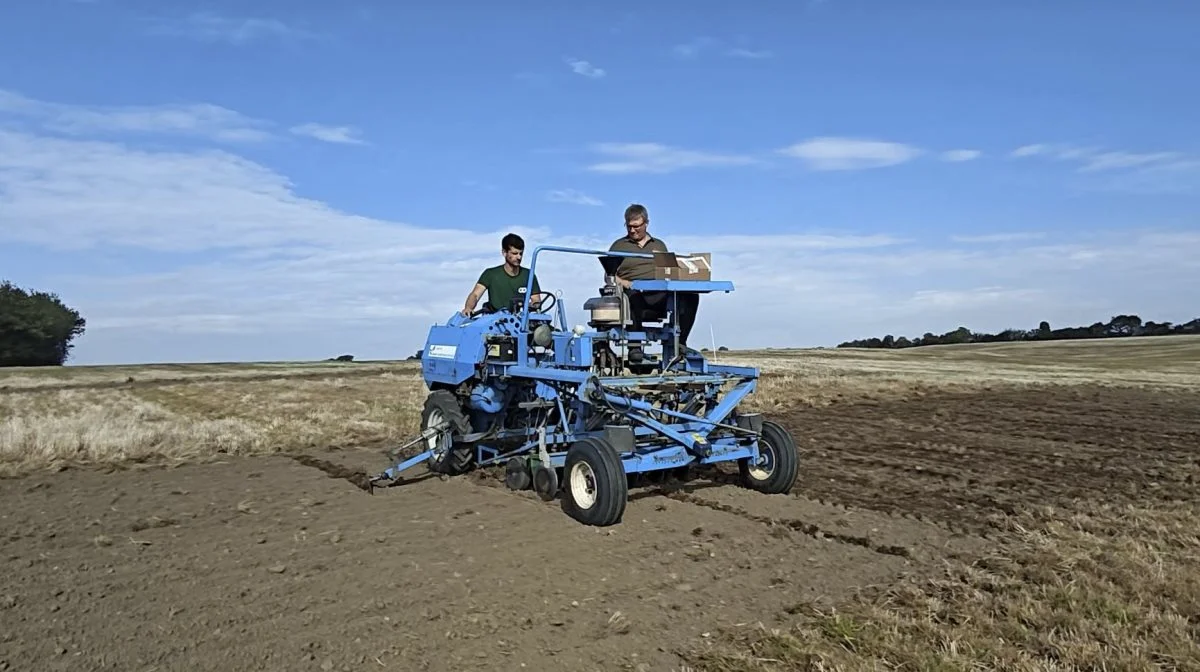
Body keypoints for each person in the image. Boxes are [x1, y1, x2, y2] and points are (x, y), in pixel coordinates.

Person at [607, 203, 700, 349]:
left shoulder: (659, 245)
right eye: (629, 226)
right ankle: (635, 346)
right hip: (633, 292)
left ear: (646, 223)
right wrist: (624, 282)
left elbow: (670, 271)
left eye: (636, 226)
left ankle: (679, 344)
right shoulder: (618, 246)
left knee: (691, 297)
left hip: (659, 293)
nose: (632, 230)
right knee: (631, 296)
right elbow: (609, 275)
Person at [461, 233, 547, 316]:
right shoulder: (490, 274)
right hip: (495, 322)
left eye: (521, 253)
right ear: (504, 252)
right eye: (514, 253)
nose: (519, 257)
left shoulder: (529, 275)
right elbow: (475, 295)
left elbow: (536, 300)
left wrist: (531, 305)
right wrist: (468, 308)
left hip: (521, 321)